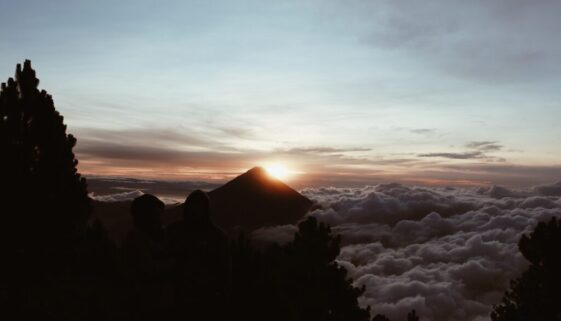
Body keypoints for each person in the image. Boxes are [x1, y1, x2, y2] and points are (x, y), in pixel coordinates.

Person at [167, 190, 230, 321]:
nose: (196, 211)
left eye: (199, 207)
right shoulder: (174, 231)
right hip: (178, 292)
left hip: (206, 295)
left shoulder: (217, 236)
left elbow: (224, 268)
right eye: (193, 206)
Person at [122, 194, 173, 321]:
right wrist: (175, 262)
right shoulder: (135, 238)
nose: (160, 219)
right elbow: (149, 268)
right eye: (156, 215)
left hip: (156, 303)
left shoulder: (154, 235)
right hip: (145, 305)